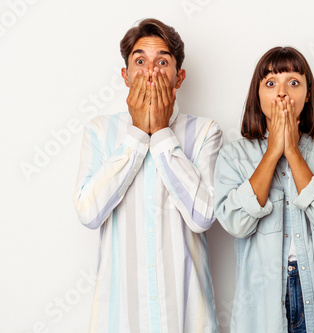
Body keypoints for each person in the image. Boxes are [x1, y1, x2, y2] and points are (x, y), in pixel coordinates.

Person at [73, 18, 222, 333]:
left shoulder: (206, 131)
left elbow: (203, 217)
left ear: (178, 78)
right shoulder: (100, 131)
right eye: (140, 61)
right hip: (120, 319)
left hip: (186, 319)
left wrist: (163, 133)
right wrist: (138, 133)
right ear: (126, 76)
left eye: (162, 62)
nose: (151, 72)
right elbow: (88, 212)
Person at [214, 46, 314, 333]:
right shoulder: (234, 156)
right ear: (258, 95)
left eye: (293, 82)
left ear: (307, 94)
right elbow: (235, 223)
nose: (282, 93)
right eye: (270, 83)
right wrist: (272, 153)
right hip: (263, 301)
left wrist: (292, 151)